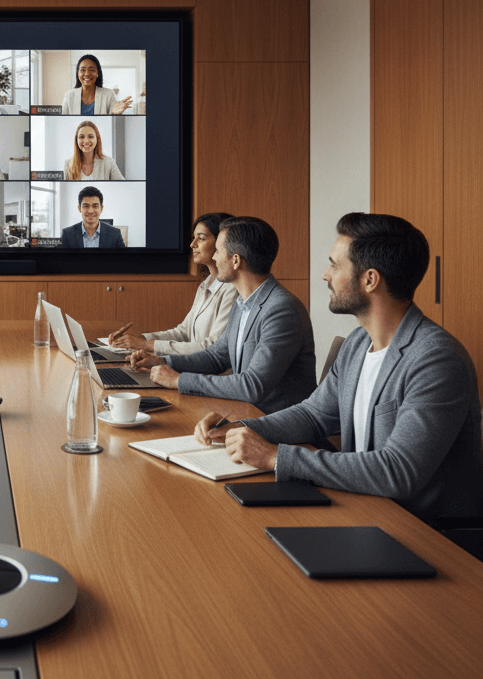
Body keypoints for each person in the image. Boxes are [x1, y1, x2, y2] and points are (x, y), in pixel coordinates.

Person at [194, 213, 482, 522]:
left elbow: (397, 472)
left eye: (334, 265)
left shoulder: (436, 359)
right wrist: (241, 429)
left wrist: (275, 457)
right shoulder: (359, 342)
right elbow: (313, 415)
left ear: (369, 280)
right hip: (363, 507)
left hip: (425, 532)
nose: (325, 275)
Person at [130, 216, 315, 413]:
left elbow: (252, 386)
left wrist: (178, 380)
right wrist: (163, 361)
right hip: (245, 414)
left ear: (235, 260)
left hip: (274, 426)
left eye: (218, 251)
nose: (215, 258)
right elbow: (216, 357)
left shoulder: (281, 310)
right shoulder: (243, 302)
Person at [110, 212, 237, 354]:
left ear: (223, 243)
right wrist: (139, 339)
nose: (192, 244)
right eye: (193, 238)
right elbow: (183, 333)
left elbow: (213, 347)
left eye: (201, 238)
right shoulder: (205, 284)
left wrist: (147, 345)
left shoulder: (233, 289)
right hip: (191, 365)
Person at [60, 54, 133, 115]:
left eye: (92, 70)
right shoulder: (69, 95)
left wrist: (113, 114)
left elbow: (113, 122)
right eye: (83, 70)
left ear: (97, 73)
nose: (87, 74)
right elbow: (63, 121)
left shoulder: (109, 94)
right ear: (78, 73)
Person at [60, 186, 125, 248]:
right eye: (86, 206)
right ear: (79, 208)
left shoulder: (115, 234)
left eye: (95, 206)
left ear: (101, 208)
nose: (90, 211)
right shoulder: (67, 234)